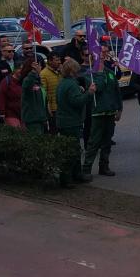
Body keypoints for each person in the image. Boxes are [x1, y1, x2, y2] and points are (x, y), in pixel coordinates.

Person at [83, 41, 122, 177]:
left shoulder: (110, 72)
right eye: (101, 54)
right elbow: (97, 88)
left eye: (104, 53)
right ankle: (86, 169)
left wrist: (120, 109)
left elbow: (117, 91)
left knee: (107, 142)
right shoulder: (89, 74)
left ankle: (104, 166)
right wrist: (99, 72)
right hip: (97, 113)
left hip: (110, 111)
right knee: (94, 142)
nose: (104, 56)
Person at [55, 58, 92, 186]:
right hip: (70, 121)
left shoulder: (63, 82)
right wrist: (89, 93)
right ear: (72, 71)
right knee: (71, 150)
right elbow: (77, 102)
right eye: (76, 70)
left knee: (73, 149)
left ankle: (76, 174)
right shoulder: (71, 84)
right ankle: (67, 178)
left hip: (65, 120)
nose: (78, 72)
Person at [20, 58, 49, 133]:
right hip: (32, 120)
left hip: (41, 119)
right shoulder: (28, 80)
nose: (41, 67)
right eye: (39, 65)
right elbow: (27, 85)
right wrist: (33, 73)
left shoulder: (38, 81)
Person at [40, 53, 63, 133]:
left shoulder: (61, 72)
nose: (59, 62)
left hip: (62, 106)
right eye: (57, 60)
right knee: (54, 130)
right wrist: (48, 107)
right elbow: (44, 93)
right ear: (49, 61)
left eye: (60, 60)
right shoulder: (43, 74)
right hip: (53, 109)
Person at [0, 61, 25, 128]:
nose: (21, 71)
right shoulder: (6, 81)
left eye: (23, 69)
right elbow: (1, 97)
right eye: (20, 69)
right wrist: (2, 113)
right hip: (11, 114)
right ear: (15, 70)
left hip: (23, 114)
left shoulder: (24, 81)